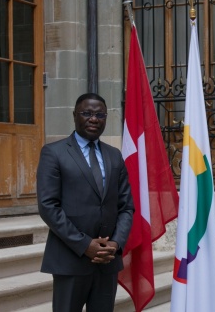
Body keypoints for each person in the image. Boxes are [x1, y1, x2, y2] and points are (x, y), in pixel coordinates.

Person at [37, 93, 134, 311]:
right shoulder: (54, 153)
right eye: (87, 113)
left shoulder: (114, 155)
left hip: (107, 261)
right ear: (74, 115)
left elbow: (126, 206)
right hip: (70, 259)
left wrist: (115, 244)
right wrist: (84, 245)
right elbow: (48, 206)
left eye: (100, 114)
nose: (94, 119)